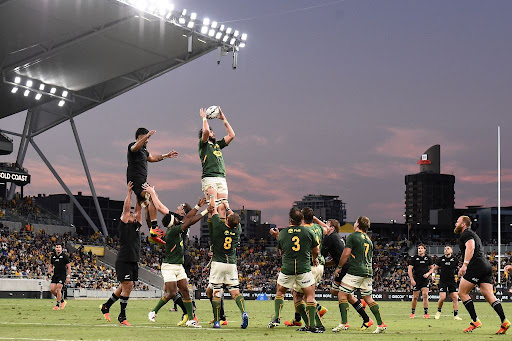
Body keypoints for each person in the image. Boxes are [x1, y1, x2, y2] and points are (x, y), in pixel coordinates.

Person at [144, 185, 205, 328]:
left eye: (180, 206)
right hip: (176, 260)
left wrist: (153, 193)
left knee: (178, 291)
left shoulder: (179, 221)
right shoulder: (177, 223)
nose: (177, 207)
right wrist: (153, 195)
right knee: (173, 291)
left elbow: (160, 207)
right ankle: (186, 313)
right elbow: (159, 206)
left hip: (180, 259)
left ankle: (189, 315)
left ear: (182, 212)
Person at [268, 208, 321, 333]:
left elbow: (281, 252)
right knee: (309, 296)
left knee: (280, 292)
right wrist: (314, 259)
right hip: (304, 268)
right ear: (301, 220)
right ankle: (312, 326)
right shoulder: (308, 232)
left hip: (288, 268)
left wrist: (277, 236)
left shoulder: (284, 233)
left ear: (289, 220)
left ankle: (276, 317)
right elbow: (316, 251)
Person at [455, 215, 510, 334]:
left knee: (462, 292)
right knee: (489, 296)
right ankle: (504, 322)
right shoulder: (474, 234)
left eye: (457, 222)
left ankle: (475, 321)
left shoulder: (466, 234)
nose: (456, 224)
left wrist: (465, 265)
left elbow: (471, 247)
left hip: (476, 267)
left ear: (463, 224)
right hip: (486, 266)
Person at [334, 216, 387, 334]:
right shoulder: (368, 239)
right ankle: (381, 324)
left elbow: (345, 254)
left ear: (357, 224)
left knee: (342, 294)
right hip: (368, 271)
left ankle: (343, 323)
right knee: (368, 298)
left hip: (356, 270)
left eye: (355, 221)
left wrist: (339, 267)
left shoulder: (353, 236)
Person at [100, 181, 142, 326]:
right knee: (128, 285)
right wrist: (130, 193)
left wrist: (140, 197)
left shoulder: (136, 224)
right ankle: (122, 316)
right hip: (123, 259)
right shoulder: (124, 225)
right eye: (130, 214)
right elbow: (126, 209)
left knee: (127, 287)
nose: (132, 215)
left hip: (133, 260)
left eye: (132, 214)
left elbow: (139, 210)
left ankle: (106, 306)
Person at [127, 127, 178, 244]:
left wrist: (167, 155)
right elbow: (135, 147)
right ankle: (154, 228)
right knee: (151, 196)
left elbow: (153, 158)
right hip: (136, 180)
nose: (147, 141)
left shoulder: (144, 151)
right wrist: (147, 136)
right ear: (139, 137)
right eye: (145, 138)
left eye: (148, 139)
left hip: (142, 181)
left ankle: (152, 232)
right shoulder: (133, 146)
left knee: (148, 204)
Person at [207, 194, 248, 329]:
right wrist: (228, 206)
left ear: (227, 220)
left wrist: (212, 196)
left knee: (217, 292)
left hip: (218, 263)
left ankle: (217, 321)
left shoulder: (219, 226)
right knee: (235, 292)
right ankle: (244, 313)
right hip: (231, 263)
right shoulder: (237, 230)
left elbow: (213, 210)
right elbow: (233, 218)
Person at [322, 219, 372, 331]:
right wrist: (328, 264)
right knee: (339, 293)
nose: (324, 227)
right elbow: (337, 257)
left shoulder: (330, 238)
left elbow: (321, 255)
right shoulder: (337, 237)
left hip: (344, 267)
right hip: (345, 266)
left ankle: (346, 322)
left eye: (327, 225)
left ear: (332, 228)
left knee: (341, 294)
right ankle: (362, 309)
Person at [282, 208, 327, 331]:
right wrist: (315, 219)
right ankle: (313, 321)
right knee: (308, 295)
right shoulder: (318, 228)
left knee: (298, 295)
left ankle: (313, 324)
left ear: (302, 218)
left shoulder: (304, 230)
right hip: (320, 265)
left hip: (309, 264)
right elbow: (327, 228)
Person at [198, 107, 235, 220]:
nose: (212, 133)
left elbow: (232, 135)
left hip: (221, 178)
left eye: (212, 131)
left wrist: (223, 119)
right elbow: (205, 131)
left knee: (223, 208)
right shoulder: (203, 145)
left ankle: (221, 234)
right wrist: (204, 119)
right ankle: (213, 236)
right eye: (211, 131)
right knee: (213, 207)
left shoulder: (217, 145)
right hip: (209, 178)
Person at [434, 246, 462, 320]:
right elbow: (435, 268)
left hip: (452, 281)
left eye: (448, 249)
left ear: (451, 251)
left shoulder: (455, 259)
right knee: (442, 297)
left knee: (455, 297)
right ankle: (438, 311)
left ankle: (456, 315)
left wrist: (460, 275)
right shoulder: (440, 259)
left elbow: (459, 268)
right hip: (443, 280)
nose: (446, 250)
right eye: (445, 249)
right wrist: (433, 275)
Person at [408, 244, 433, 318]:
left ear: (424, 250)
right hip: (416, 279)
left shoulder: (428, 258)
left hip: (425, 280)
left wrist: (428, 274)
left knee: (425, 295)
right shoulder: (414, 258)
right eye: (419, 248)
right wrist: (412, 279)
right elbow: (410, 269)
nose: (420, 249)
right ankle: (412, 313)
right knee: (415, 297)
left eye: (421, 248)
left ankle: (426, 313)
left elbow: (432, 268)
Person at [48, 243, 71, 311]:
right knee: (52, 289)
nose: (58, 248)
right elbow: (51, 266)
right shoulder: (53, 256)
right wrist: (48, 273)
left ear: (61, 249)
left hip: (62, 275)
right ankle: (62, 301)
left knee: (58, 289)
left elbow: (69, 266)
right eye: (57, 247)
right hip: (55, 274)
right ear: (55, 248)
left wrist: (68, 276)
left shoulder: (64, 256)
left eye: (59, 247)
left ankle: (57, 305)